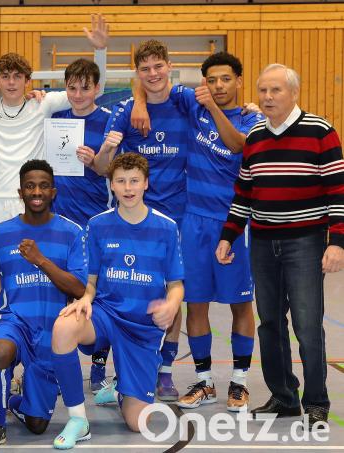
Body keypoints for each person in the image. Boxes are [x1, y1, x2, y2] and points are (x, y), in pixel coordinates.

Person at [0, 14, 107, 393]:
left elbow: (90, 89)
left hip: (31, 209)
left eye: (18, 77)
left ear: (28, 82)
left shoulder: (42, 104)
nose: (11, 82)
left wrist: (100, 48)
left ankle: (37, 358)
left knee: (33, 283)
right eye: (5, 76)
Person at [218, 63, 344, 427]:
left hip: (305, 243)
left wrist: (336, 242)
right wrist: (228, 236)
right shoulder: (255, 136)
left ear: (294, 93)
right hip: (262, 241)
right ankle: (284, 397)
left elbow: (337, 190)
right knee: (270, 323)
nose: (268, 97)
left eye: (276, 90)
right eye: (263, 91)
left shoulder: (321, 131)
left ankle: (316, 400)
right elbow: (244, 191)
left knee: (306, 325)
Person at [50, 152, 184, 448]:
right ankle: (77, 420)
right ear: (111, 185)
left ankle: (124, 388)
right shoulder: (97, 225)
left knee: (138, 425)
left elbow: (175, 284)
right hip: (107, 314)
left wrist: (172, 305)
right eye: (121, 181)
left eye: (134, 180)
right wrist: (85, 298)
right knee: (63, 327)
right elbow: (92, 280)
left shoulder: (166, 227)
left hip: (143, 327)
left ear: (146, 183)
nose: (128, 187)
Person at [154, 52, 261, 412]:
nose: (218, 86)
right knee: (194, 302)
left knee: (240, 304)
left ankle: (240, 383)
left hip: (234, 223)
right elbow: (153, 81)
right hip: (194, 221)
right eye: (211, 80)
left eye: (225, 79)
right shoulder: (191, 102)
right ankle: (203, 382)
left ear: (239, 80)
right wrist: (138, 102)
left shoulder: (252, 117)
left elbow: (239, 146)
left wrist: (212, 109)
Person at [93, 39, 191, 401]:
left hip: (176, 216)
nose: (152, 74)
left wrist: (249, 107)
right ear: (137, 73)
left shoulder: (185, 101)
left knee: (171, 295)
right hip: (131, 219)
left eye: (158, 66)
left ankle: (165, 371)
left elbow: (219, 103)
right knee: (127, 289)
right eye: (144, 69)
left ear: (169, 66)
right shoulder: (123, 112)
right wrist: (106, 149)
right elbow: (104, 167)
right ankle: (121, 371)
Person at [0, 159, 87, 452]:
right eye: (30, 186)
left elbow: (78, 288)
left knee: (37, 425)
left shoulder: (72, 232)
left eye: (43, 186)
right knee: (0, 350)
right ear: (20, 192)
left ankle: (9, 399)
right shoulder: (0, 234)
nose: (36, 191)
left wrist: (41, 260)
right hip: (15, 321)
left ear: (54, 192)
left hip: (53, 332)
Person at [49, 58, 113, 394]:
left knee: (95, 293)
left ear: (97, 90)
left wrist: (97, 162)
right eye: (72, 87)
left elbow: (114, 169)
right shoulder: (55, 120)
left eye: (85, 87)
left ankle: (100, 361)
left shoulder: (108, 121)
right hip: (59, 222)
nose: (77, 93)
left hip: (92, 220)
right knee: (63, 292)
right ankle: (62, 365)